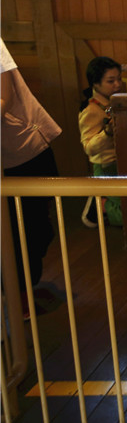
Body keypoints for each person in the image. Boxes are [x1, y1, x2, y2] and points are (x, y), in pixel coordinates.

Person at [1, 38, 61, 304]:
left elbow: (5, 96)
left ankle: (22, 292)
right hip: (12, 152)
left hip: (23, 148)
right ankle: (17, 294)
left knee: (33, 226)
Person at [78, 56, 123, 227]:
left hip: (122, 162)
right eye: (111, 81)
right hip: (106, 166)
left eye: (119, 79)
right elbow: (88, 147)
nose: (117, 84)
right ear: (95, 84)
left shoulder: (116, 101)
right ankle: (100, 208)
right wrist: (107, 132)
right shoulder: (91, 110)